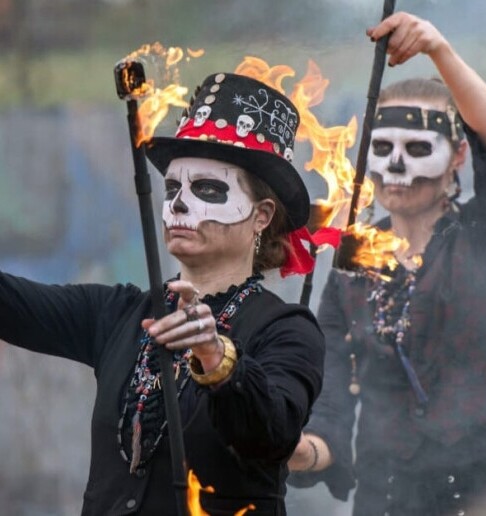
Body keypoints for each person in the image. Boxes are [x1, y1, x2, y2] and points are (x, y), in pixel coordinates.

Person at [0, 72, 325, 515]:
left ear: (262, 215)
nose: (178, 205)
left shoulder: (286, 328)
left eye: (208, 189)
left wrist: (217, 357)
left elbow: (271, 436)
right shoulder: (118, 313)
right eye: (172, 189)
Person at [288, 11, 486, 516]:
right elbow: (329, 394)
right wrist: (304, 451)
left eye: (417, 148)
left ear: (458, 156)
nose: (395, 166)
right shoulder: (353, 261)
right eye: (384, 148)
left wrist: (438, 49)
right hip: (389, 500)